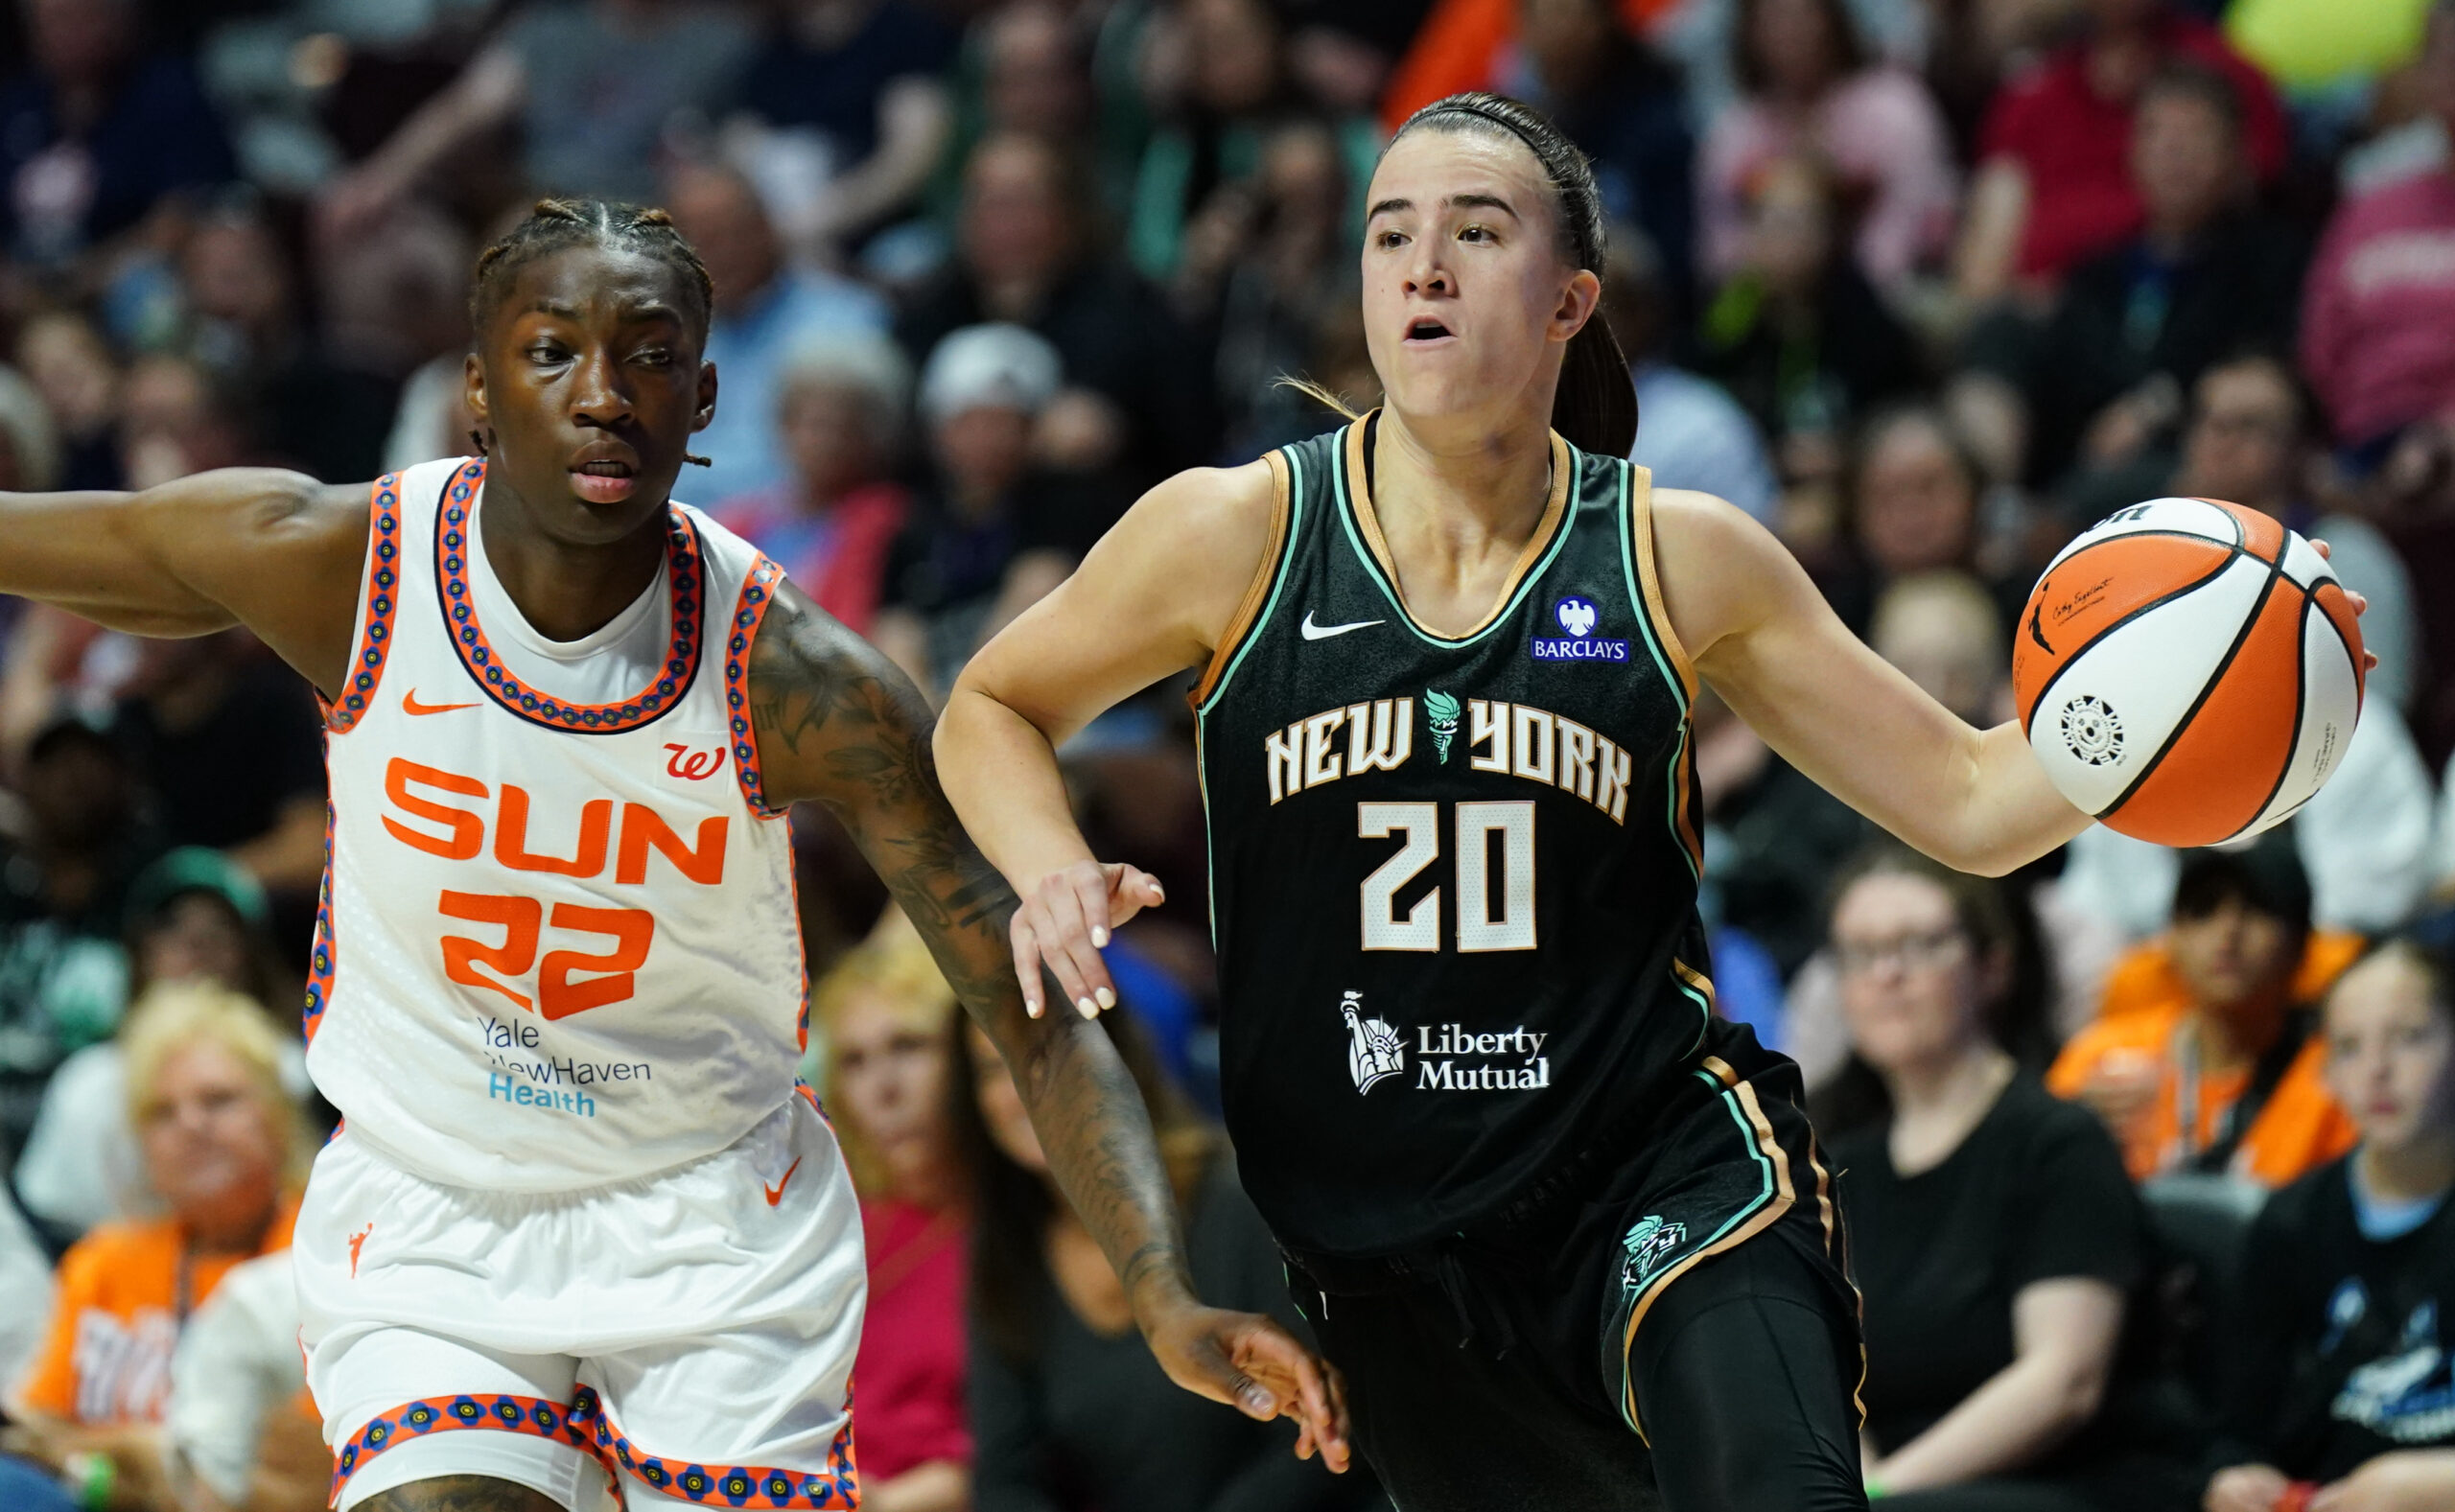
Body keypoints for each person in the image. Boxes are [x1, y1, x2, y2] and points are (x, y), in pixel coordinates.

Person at [0, 198, 1342, 1510]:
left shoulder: (798, 677)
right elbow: (115, 546)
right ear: (478, 386)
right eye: (552, 353)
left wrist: (1161, 1284)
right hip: (435, 1197)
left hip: (708, 1219)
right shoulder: (347, 566)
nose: (604, 394)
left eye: (649, 355)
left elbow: (1031, 1010)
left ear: (703, 400)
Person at [934, 90, 2167, 1509]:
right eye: (1390, 233)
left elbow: (1968, 797)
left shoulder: (1675, 556)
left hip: (1655, 1173)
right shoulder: (1236, 533)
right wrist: (1048, 866)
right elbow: (990, 705)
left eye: (1476, 229)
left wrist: (2166, 717)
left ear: (1572, 297)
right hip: (1387, 1246)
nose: (1425, 265)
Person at [1819, 847, 2194, 1510]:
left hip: (2065, 1482)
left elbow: (2062, 1382)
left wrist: (1877, 1491)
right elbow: (1827, 1370)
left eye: (1917, 944)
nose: (1887, 974)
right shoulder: (1842, 1164)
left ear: (1992, 966)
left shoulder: (2057, 1141)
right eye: (1859, 952)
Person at [955, 1009, 1371, 1512]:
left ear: (1115, 1060)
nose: (1019, 1086)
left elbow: (1324, 1432)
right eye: (992, 1069)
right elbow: (1004, 1480)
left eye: (1043, 1052)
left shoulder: (1237, 1197)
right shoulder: (1005, 1249)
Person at [4, 984, 311, 1511]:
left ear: (278, 1117)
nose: (191, 1125)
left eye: (220, 1100)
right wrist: (147, 1459)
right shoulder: (104, 1260)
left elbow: (298, 1474)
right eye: (161, 1113)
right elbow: (31, 1437)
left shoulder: (329, 1255)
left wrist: (102, 1455)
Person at [2207, 938, 2455, 1512]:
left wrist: (2430, 1489)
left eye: (2411, 1038)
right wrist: (2234, 1477)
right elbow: (2240, 1427)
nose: (2378, 1071)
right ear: (2326, 1073)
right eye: (2349, 1047)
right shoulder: (2292, 1222)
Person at [2049, 837, 2363, 1186]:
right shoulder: (2101, 1058)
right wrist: (2073, 1129)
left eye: (2258, 908)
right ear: (2171, 940)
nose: (2228, 931)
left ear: (2301, 943)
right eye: (2203, 910)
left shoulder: (2341, 1079)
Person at [810, 927, 970, 1512]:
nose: (884, 1089)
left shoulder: (1020, 1226)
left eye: (908, 1046)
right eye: (854, 1060)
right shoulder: (828, 1218)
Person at [663, 162, 891, 507]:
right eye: (702, 240)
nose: (722, 251)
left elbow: (835, 463)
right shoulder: (663, 340)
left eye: (734, 232)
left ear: (768, 227)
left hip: (797, 538)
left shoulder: (846, 320)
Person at [1700, 0, 1958, 292]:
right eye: (1772, 19)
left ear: (1832, 19)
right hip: (1761, 301)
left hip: (1885, 299)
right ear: (1748, 33)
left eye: (1803, 15)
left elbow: (1917, 220)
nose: (1789, 31)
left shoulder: (1894, 107)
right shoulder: (1736, 131)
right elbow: (1718, 249)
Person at [706, 332, 912, 635]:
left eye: (845, 428)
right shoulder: (738, 519)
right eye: (815, 425)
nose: (827, 443)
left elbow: (845, 625)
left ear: (873, 437)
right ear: (784, 424)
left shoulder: (882, 517)